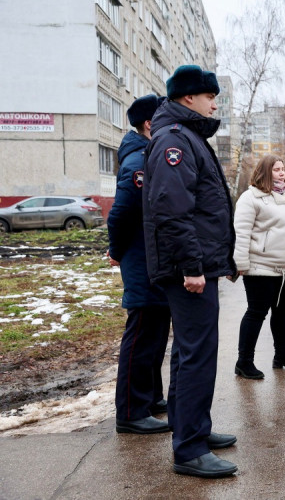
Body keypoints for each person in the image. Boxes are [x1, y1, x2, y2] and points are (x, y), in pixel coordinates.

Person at [142, 65, 238, 478]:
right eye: (209, 96)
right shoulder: (174, 143)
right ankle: (190, 449)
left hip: (193, 266)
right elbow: (173, 212)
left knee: (188, 354)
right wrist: (192, 268)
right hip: (188, 270)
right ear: (188, 98)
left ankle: (192, 428)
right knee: (198, 355)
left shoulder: (187, 137)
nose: (214, 103)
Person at [108, 94, 171, 435]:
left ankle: (149, 398)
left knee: (157, 331)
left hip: (153, 258)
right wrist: (116, 251)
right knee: (142, 331)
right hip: (140, 258)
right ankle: (130, 411)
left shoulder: (147, 155)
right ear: (150, 124)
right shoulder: (137, 161)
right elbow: (120, 213)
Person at [232, 154, 285, 379]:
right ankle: (244, 362)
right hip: (261, 267)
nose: (282, 173)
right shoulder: (251, 198)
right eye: (277, 169)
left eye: (283, 168)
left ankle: (282, 356)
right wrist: (240, 263)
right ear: (265, 172)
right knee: (256, 313)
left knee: (282, 313)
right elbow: (241, 233)